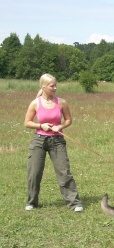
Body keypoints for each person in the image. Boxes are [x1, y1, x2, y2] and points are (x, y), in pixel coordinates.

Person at [24, 74, 83, 212]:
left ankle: (74, 203)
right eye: (52, 86)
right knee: (34, 172)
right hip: (39, 140)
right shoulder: (35, 103)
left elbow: (68, 120)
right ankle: (31, 202)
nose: (55, 88)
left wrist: (60, 126)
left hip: (57, 141)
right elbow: (27, 122)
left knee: (64, 172)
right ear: (43, 87)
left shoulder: (61, 102)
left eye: (56, 85)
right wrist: (40, 126)